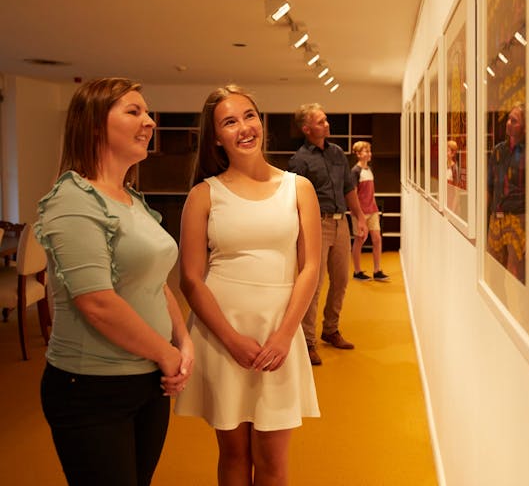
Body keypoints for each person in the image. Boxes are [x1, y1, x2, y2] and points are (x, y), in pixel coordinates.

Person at [34, 77, 193, 486]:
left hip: (147, 381)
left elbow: (155, 281)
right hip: (92, 389)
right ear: (93, 126)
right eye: (134, 111)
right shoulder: (73, 199)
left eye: (147, 111)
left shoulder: (129, 197)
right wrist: (167, 353)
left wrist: (182, 340)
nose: (151, 121)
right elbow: (97, 303)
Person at [174, 86, 320, 486]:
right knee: (234, 455)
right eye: (229, 121)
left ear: (262, 122)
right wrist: (231, 339)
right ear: (216, 136)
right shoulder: (204, 195)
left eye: (249, 115)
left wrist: (286, 334)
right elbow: (190, 278)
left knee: (273, 460)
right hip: (223, 333)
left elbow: (310, 268)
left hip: (280, 331)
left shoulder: (298, 188)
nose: (244, 127)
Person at [288, 103, 368, 366]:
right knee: (314, 283)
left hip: (340, 223)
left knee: (342, 279)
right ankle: (308, 341)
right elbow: (294, 199)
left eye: (326, 120)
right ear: (307, 129)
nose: (327, 124)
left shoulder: (337, 154)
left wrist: (360, 217)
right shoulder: (299, 160)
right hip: (315, 226)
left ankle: (330, 329)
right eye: (321, 121)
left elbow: (348, 188)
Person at [486, 103, 527, 282]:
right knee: (493, 270)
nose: (508, 123)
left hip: (518, 218)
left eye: (514, 120)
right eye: (508, 119)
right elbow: (490, 187)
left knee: (515, 273)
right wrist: (487, 217)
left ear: (525, 127)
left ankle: (516, 310)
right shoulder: (497, 151)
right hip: (497, 217)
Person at [350, 141, 389, 282]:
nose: (369, 153)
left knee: (377, 239)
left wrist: (374, 208)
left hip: (372, 210)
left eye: (369, 151)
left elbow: (370, 193)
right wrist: (358, 213)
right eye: (366, 151)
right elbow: (353, 194)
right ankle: (357, 271)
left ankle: (377, 270)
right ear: (358, 154)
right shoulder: (355, 171)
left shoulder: (369, 170)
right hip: (360, 212)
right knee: (360, 240)